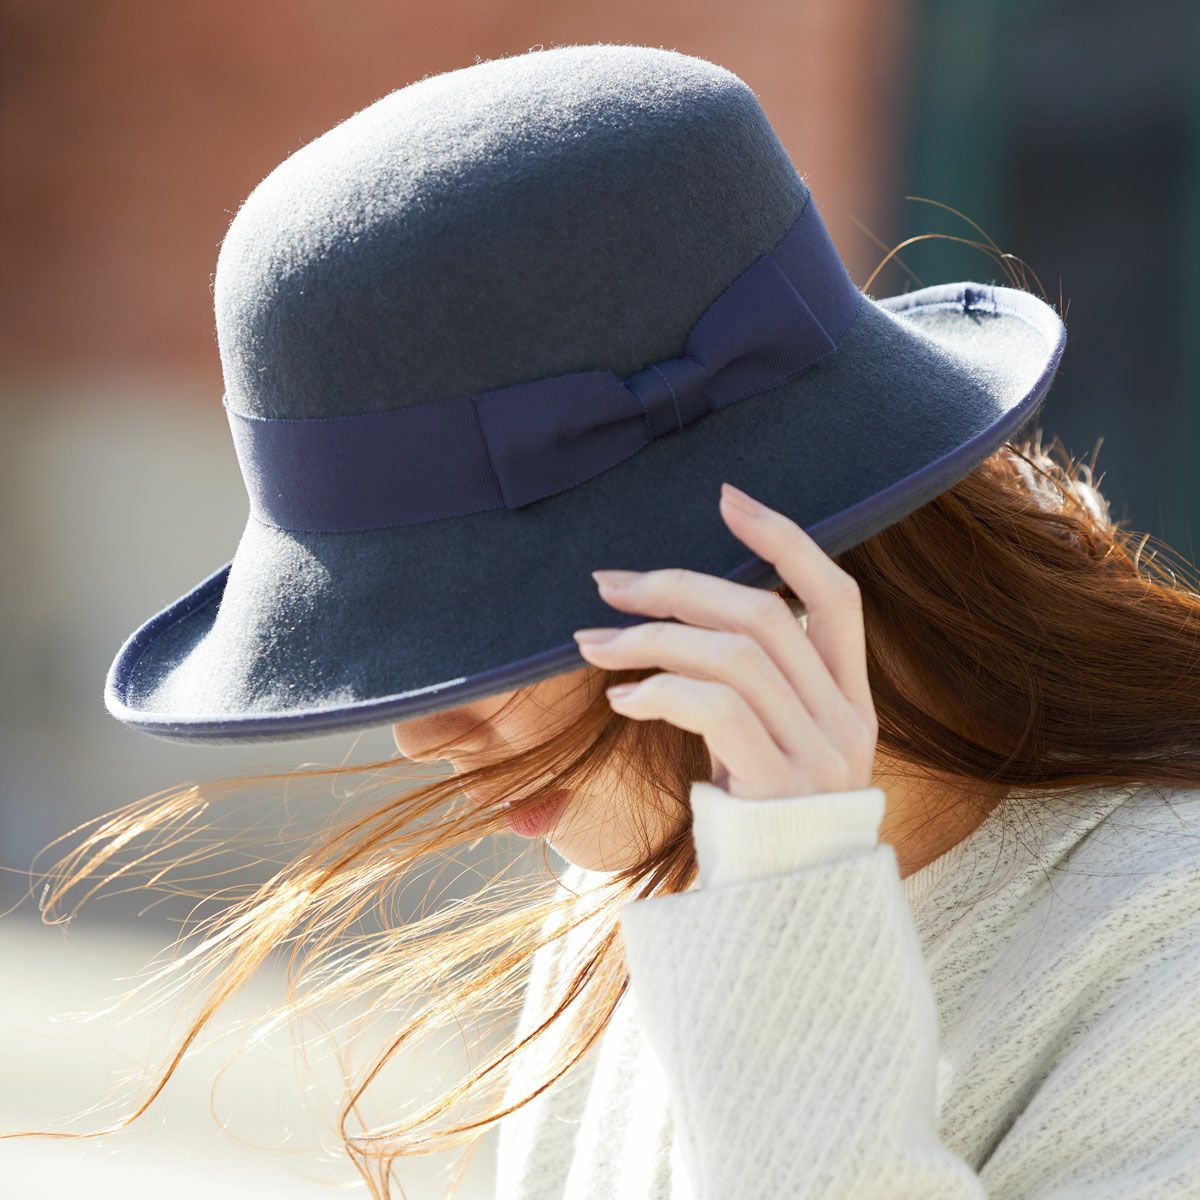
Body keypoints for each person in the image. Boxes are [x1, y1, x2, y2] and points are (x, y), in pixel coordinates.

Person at [9, 42, 1200, 1200]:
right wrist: (771, 881)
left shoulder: (1166, 942)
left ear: (765, 561)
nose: (422, 735)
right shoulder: (646, 880)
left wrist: (790, 905)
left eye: (484, 632)